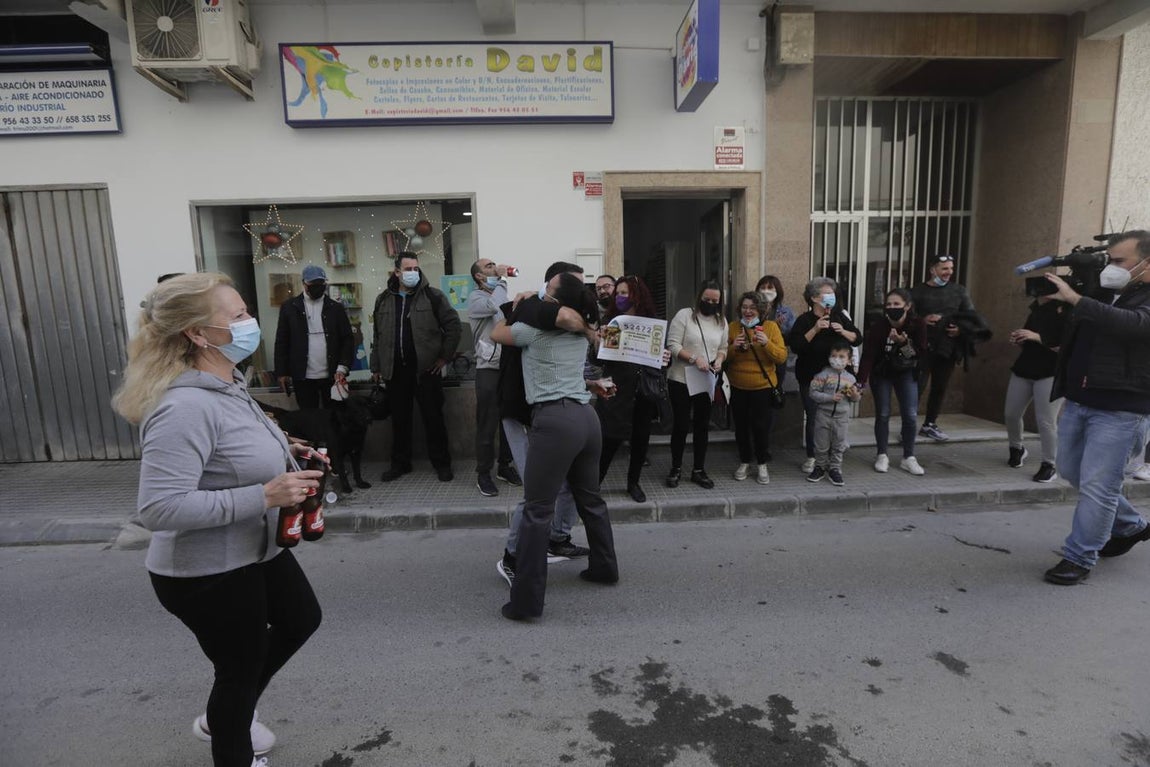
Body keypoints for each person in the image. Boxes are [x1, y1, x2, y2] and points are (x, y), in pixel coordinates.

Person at [113, 273, 323, 767]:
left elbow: (230, 449)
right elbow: (159, 508)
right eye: (237, 317)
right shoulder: (183, 405)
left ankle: (231, 710)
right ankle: (232, 734)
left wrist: (285, 449)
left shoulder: (227, 381)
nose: (251, 323)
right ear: (198, 334)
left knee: (300, 619)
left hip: (254, 550)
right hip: (206, 571)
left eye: (247, 310)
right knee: (237, 671)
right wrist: (264, 494)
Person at [491, 272, 619, 620]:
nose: (544, 297)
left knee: (537, 511)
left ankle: (526, 603)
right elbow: (568, 373)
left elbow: (496, 333)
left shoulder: (533, 331)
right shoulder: (581, 335)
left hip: (555, 421)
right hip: (586, 419)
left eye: (549, 293)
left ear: (561, 303)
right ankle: (605, 568)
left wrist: (518, 303)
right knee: (590, 498)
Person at [1042, 230, 1150, 586]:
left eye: (1120, 262)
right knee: (1073, 472)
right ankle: (1132, 525)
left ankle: (1079, 556)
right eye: (1109, 261)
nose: (1111, 268)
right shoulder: (1109, 293)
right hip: (1080, 400)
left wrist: (1077, 300)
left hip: (1121, 409)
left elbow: (1135, 326)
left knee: (1098, 486)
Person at [370, 252, 461, 482]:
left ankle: (442, 464)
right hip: (395, 371)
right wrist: (376, 366)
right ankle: (400, 464)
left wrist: (444, 358)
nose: (413, 273)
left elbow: (453, 327)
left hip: (425, 371)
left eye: (416, 269)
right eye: (408, 269)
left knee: (434, 419)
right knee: (399, 420)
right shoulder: (383, 300)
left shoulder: (433, 296)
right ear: (397, 272)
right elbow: (378, 336)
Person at [596, 275, 665, 502]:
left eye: (625, 293)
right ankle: (595, 482)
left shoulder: (652, 323)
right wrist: (598, 343)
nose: (620, 297)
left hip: (643, 391)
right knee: (610, 439)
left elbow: (660, 359)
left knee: (640, 440)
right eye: (619, 293)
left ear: (637, 294)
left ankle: (633, 483)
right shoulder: (612, 321)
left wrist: (666, 357)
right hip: (617, 390)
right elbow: (599, 360)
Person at [786, 277, 861, 474]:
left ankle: (834, 456)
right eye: (826, 294)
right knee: (814, 417)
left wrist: (843, 331)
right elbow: (796, 346)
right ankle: (814, 457)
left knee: (838, 415)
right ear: (813, 298)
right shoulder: (804, 320)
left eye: (832, 293)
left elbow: (857, 338)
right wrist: (815, 329)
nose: (831, 297)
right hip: (812, 378)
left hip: (840, 378)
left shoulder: (840, 316)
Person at [665, 281, 729, 489]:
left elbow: (723, 347)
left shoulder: (722, 322)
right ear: (699, 297)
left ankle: (698, 469)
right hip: (681, 379)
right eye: (707, 299)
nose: (710, 303)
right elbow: (673, 345)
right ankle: (675, 468)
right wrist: (694, 358)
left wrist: (719, 359)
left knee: (702, 426)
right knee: (681, 425)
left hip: (705, 380)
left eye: (715, 301)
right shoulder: (684, 315)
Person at [858, 288, 928, 476]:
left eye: (896, 304)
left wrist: (903, 343)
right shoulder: (879, 326)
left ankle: (909, 457)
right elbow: (868, 356)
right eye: (889, 304)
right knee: (883, 413)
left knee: (910, 414)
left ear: (908, 306)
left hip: (906, 373)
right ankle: (882, 454)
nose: (892, 307)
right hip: (882, 373)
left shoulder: (917, 324)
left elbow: (919, 355)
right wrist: (860, 382)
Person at [467, 258, 521, 497]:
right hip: (487, 368)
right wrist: (501, 279)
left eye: (494, 266)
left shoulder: (500, 291)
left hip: (507, 366)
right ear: (479, 276)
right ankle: (483, 473)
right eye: (488, 266)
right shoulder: (476, 298)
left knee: (509, 420)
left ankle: (505, 466)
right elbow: (495, 304)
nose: (494, 268)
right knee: (487, 423)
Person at [1004, 291, 1070, 483]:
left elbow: (1066, 347)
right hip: (1024, 367)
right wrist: (1019, 339)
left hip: (1051, 372)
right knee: (1011, 414)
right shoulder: (1037, 311)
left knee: (1046, 420)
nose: (1041, 294)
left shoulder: (1071, 313)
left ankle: (1049, 464)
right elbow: (1028, 338)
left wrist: (1037, 337)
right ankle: (1016, 448)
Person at [911, 254, 975, 442]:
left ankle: (930, 424)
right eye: (944, 268)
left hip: (947, 347)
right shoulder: (917, 292)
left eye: (951, 268)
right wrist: (923, 321)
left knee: (940, 387)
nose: (948, 272)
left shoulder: (959, 291)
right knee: (916, 387)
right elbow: (908, 318)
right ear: (933, 270)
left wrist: (960, 330)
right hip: (922, 347)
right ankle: (909, 424)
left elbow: (971, 317)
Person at [726, 292, 787, 483]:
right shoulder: (733, 327)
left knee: (761, 427)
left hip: (762, 387)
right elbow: (722, 357)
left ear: (760, 309)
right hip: (737, 386)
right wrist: (733, 347)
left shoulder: (770, 327)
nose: (748, 311)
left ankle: (762, 464)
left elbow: (781, 357)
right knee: (741, 427)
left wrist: (766, 343)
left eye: (752, 307)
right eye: (744, 307)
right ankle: (744, 461)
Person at [273, 264, 354, 410]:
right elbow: (282, 341)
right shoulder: (289, 307)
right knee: (309, 420)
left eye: (321, 283)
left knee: (336, 418)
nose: (317, 287)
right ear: (304, 283)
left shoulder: (336, 308)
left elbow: (347, 339)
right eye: (313, 284)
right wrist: (282, 372)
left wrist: (342, 367)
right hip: (302, 376)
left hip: (333, 375)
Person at [805, 339, 862, 486]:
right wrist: (830, 398)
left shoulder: (851, 379)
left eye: (842, 356)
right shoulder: (822, 375)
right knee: (821, 444)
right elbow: (813, 393)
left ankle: (835, 469)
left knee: (839, 444)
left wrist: (855, 395)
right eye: (834, 356)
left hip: (842, 417)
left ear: (849, 360)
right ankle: (820, 467)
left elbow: (855, 399)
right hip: (823, 415)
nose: (837, 359)